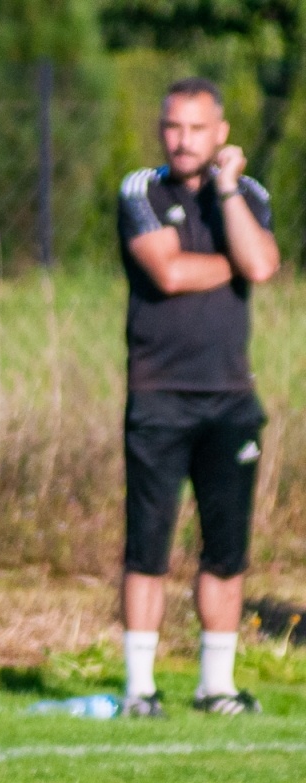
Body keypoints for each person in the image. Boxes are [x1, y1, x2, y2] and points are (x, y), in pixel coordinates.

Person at [117, 77, 279, 718]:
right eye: (172, 127)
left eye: (195, 128)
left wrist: (228, 190)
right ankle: (140, 689)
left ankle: (217, 685)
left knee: (227, 547)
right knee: (149, 544)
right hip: (159, 396)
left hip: (230, 397)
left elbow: (262, 265)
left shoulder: (247, 195)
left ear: (220, 133)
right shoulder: (140, 190)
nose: (181, 141)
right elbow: (168, 270)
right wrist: (234, 264)